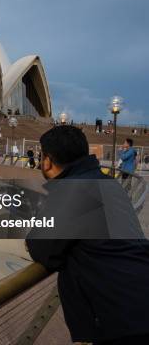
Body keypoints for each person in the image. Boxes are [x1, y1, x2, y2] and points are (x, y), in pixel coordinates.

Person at [25, 125, 149, 344]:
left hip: (124, 317)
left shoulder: (72, 189)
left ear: (48, 161)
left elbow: (42, 249)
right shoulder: (107, 183)